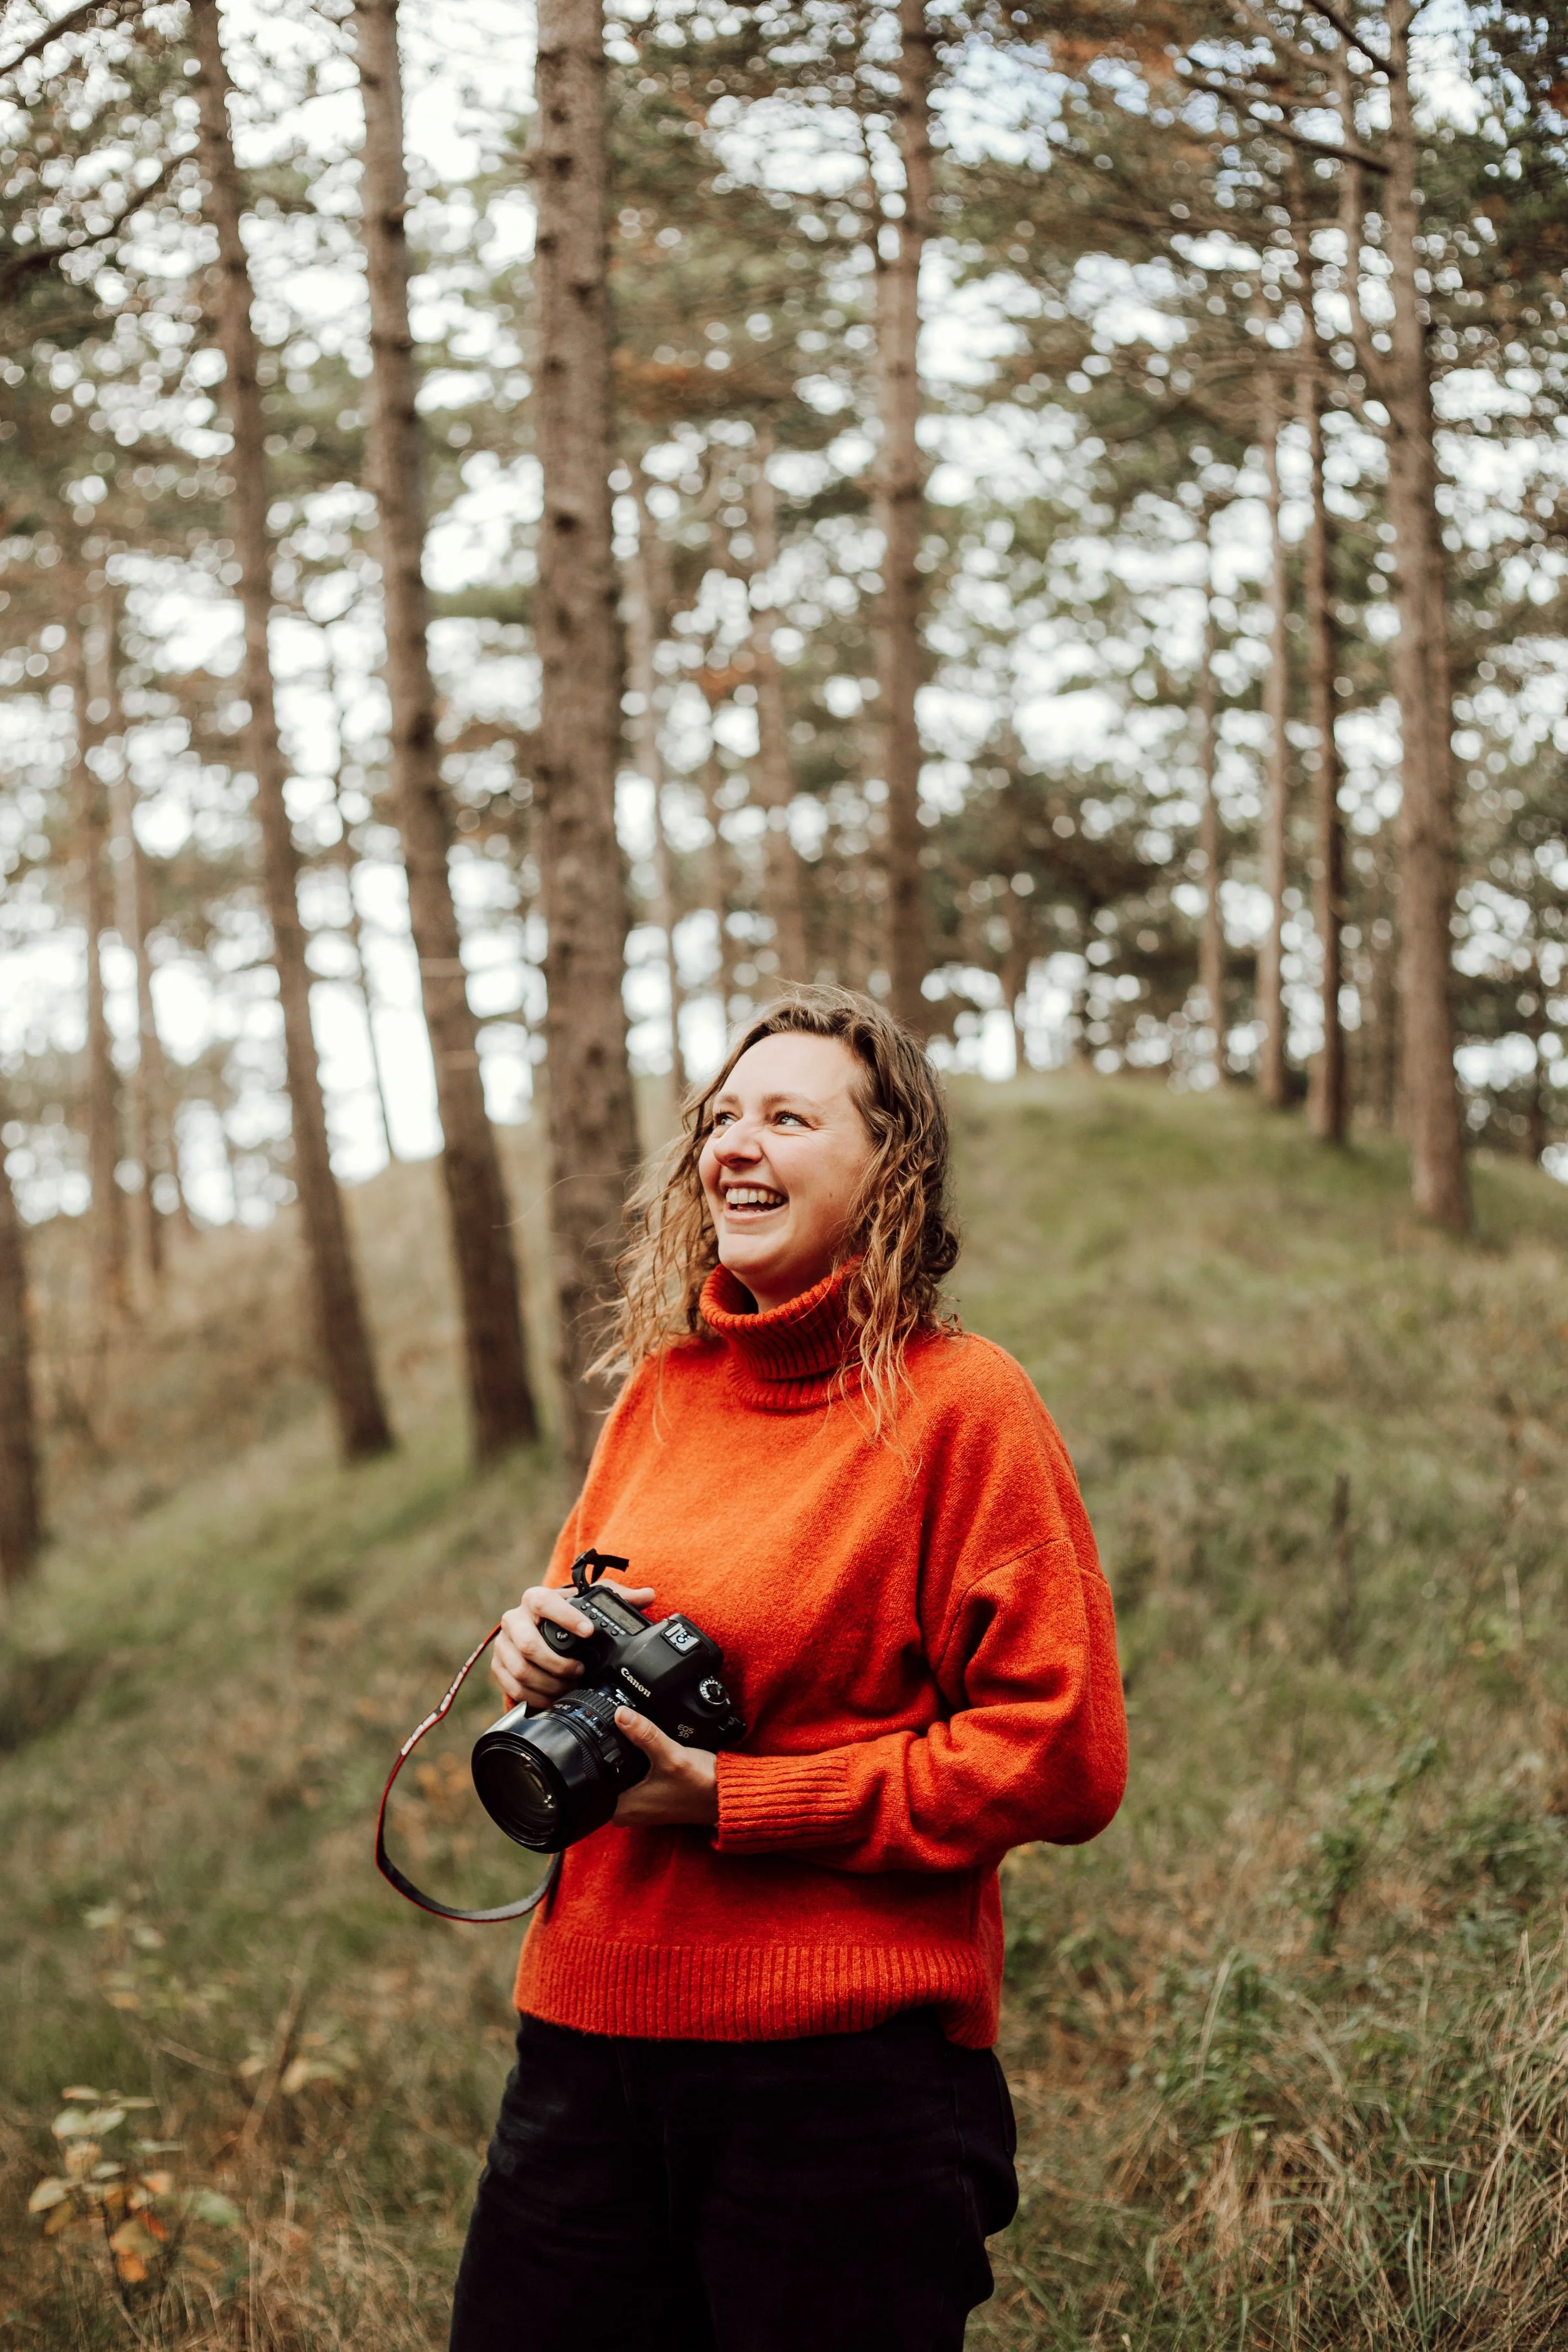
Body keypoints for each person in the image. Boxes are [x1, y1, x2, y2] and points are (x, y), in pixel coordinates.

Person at [450, 987, 1126, 2352]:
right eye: (718, 1119)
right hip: (584, 2050)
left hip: (838, 2088)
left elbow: (1059, 1757)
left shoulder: (962, 1408)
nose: (731, 1147)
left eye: (786, 1117)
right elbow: (575, 1633)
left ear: (892, 1166)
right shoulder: (662, 1394)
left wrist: (739, 1801)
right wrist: (527, 1657)